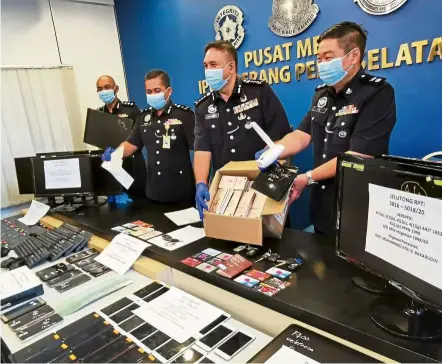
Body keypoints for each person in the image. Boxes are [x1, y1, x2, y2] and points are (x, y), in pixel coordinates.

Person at [257, 21, 397, 236]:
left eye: (328, 58)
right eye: (319, 58)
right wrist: (277, 149)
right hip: (322, 205)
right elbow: (303, 134)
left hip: (356, 206)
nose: (321, 64)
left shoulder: (377, 93)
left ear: (353, 56)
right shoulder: (322, 95)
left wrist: (308, 177)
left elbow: (359, 154)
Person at [194, 40, 292, 219]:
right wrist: (201, 183)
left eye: (214, 65)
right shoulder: (203, 107)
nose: (208, 71)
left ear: (231, 67)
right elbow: (202, 150)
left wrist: (268, 155)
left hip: (262, 185)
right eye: (206, 66)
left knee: (271, 242)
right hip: (226, 191)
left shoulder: (259, 92)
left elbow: (281, 136)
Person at [103, 70, 195, 204]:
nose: (153, 95)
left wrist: (203, 182)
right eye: (149, 91)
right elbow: (131, 144)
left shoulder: (184, 115)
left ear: (168, 91)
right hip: (154, 191)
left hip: (181, 191)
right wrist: (115, 154)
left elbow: (200, 150)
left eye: (157, 90)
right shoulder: (143, 117)